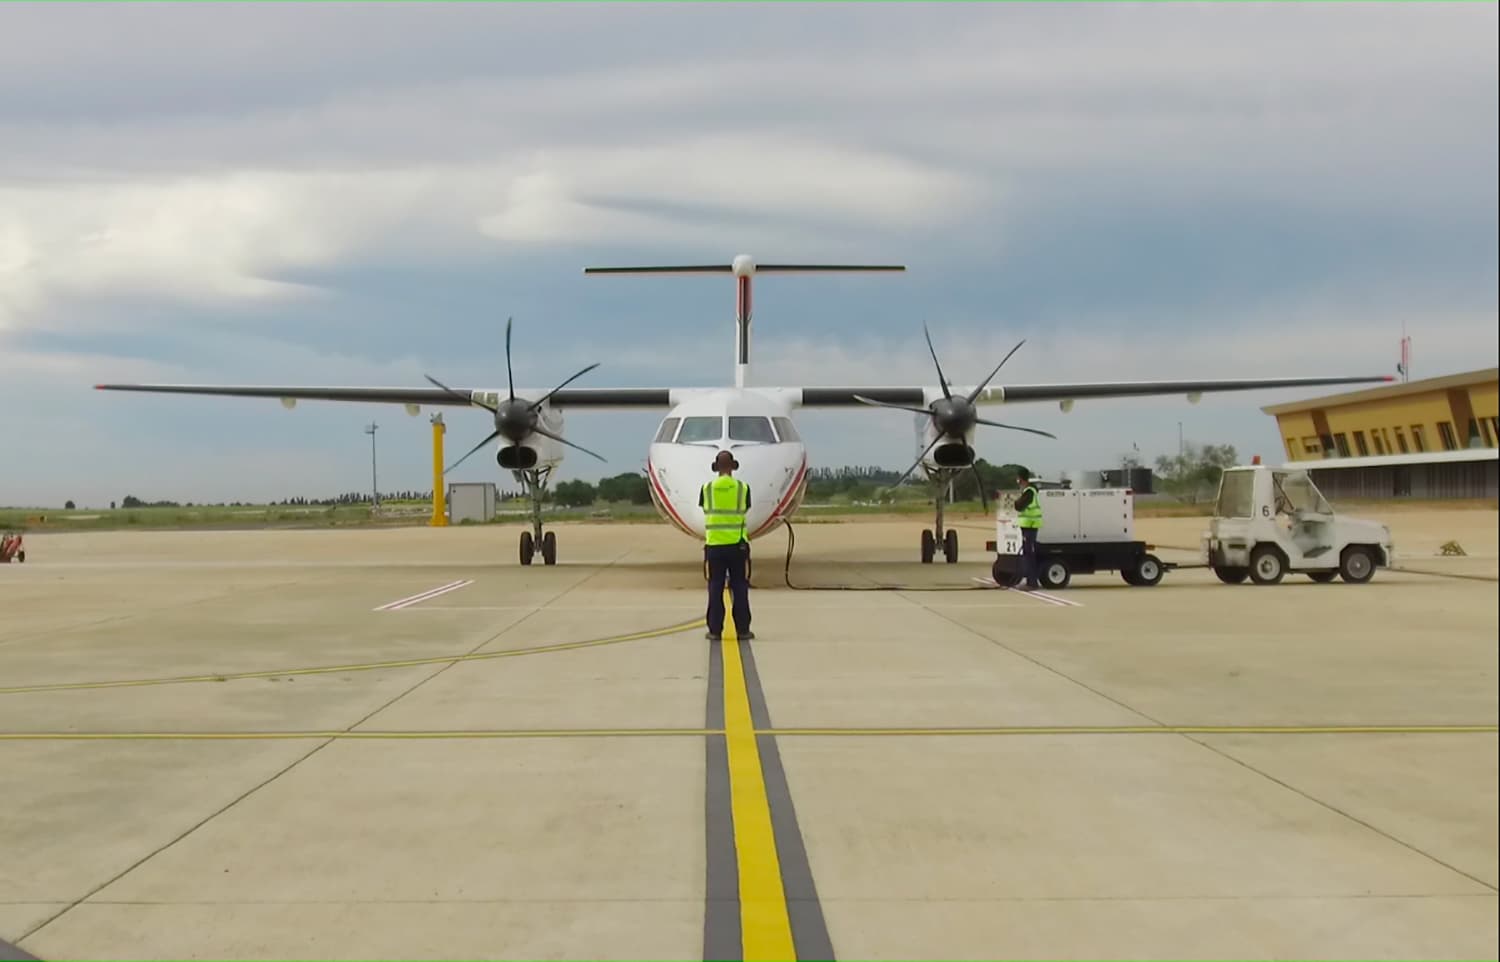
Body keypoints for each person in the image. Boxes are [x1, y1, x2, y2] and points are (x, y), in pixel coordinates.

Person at [700, 450, 754, 641]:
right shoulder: (742, 488)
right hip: (737, 545)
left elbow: (704, 507)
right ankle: (743, 630)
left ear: (716, 467)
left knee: (715, 588)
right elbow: (746, 508)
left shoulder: (707, 488)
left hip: (714, 545)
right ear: (733, 467)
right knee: (739, 587)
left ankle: (715, 630)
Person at [1013, 471, 1043, 590]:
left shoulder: (1029, 492)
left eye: (1018, 479)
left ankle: (1032, 582)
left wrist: (1015, 502)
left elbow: (1019, 506)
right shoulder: (1029, 491)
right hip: (1029, 526)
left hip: (1030, 526)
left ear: (1021, 479)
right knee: (1027, 553)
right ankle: (1030, 580)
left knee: (1029, 554)